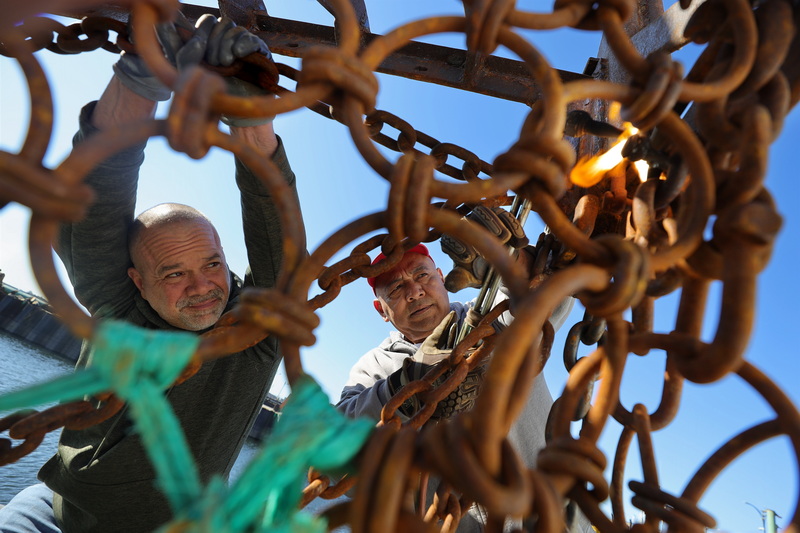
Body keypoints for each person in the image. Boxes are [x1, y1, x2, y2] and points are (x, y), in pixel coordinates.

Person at [0, 14, 297, 533]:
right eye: (174, 274)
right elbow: (100, 194)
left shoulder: (254, 336)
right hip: (51, 516)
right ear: (137, 280)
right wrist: (143, 74)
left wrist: (251, 112)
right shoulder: (116, 305)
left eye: (211, 264)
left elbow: (277, 225)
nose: (203, 287)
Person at [336, 215, 589, 532]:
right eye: (396, 288)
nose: (414, 291)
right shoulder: (373, 367)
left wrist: (514, 264)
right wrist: (408, 384)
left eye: (422, 276)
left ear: (441, 277)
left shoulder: (489, 317)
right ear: (381, 310)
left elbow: (537, 303)